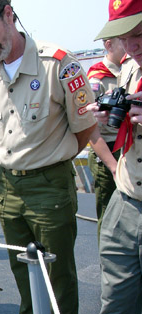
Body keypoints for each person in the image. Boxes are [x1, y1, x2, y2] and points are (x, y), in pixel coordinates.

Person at [0, 0, 96, 314]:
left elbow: (85, 126)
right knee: (21, 267)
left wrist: (51, 160)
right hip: (9, 188)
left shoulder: (57, 64)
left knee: (57, 271)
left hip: (48, 186)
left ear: (9, 14)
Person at [83, 0, 142, 314]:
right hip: (128, 195)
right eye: (125, 35)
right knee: (115, 294)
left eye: (138, 33)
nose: (130, 43)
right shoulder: (132, 66)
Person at [87, 37, 125, 237]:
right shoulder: (97, 78)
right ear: (109, 45)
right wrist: (112, 166)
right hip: (109, 151)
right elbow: (88, 125)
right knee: (110, 215)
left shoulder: (130, 71)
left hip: (130, 148)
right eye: (123, 41)